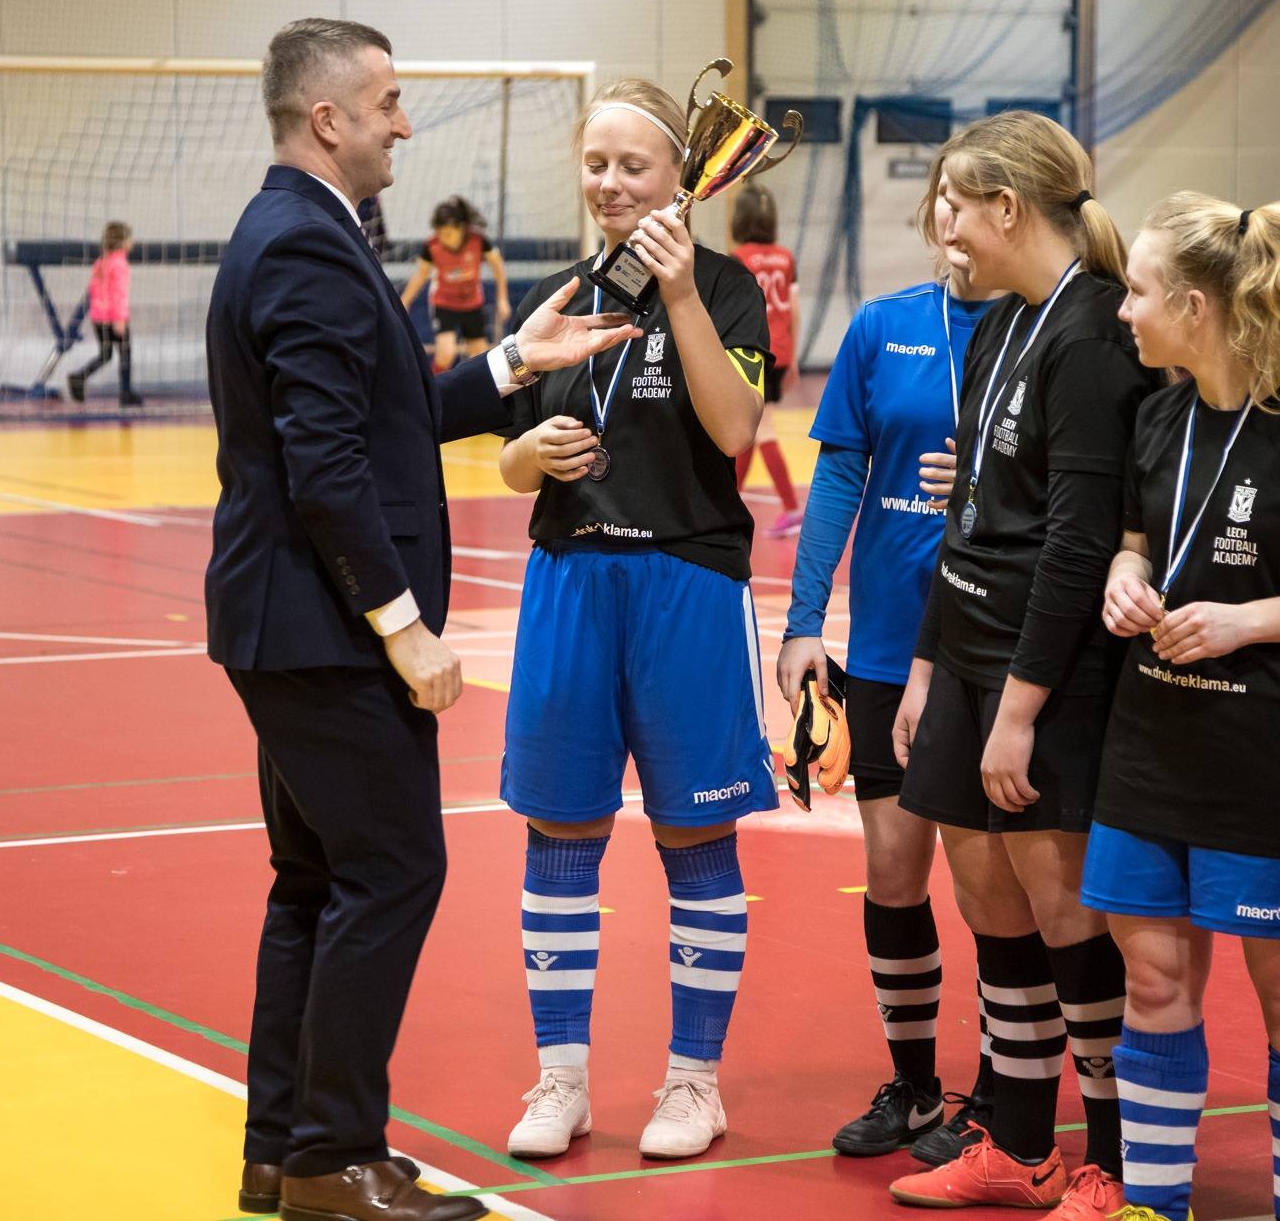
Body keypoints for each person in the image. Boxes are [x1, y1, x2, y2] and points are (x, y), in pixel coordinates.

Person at [206, 18, 636, 1221]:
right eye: (387, 101)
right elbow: (327, 466)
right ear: (328, 118)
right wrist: (401, 623)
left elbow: (387, 413)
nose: (405, 121)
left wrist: (509, 363)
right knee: (393, 868)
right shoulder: (305, 247)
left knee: (318, 880)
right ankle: (337, 1160)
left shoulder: (307, 235)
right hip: (324, 628)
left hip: (288, 624)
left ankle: (283, 1151)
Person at [493, 75, 776, 1164]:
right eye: (597, 163)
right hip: (569, 576)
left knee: (695, 834)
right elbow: (513, 457)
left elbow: (737, 426)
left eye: (634, 165)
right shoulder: (560, 295)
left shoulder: (726, 286)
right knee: (560, 827)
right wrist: (533, 453)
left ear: (683, 180)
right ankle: (561, 1078)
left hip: (687, 582)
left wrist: (684, 296)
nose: (611, 184)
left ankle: (693, 1084)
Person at [883, 110, 1162, 1216]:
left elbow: (1078, 539)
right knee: (987, 891)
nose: (941, 223)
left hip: (1043, 671)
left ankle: (1107, 1158)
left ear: (1009, 207)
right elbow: (969, 516)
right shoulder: (1003, 327)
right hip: (963, 650)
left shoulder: (1093, 334)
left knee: (1061, 907)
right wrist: (923, 667)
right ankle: (1016, 1141)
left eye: (955, 201)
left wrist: (1019, 709)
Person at [1093, 193, 1280, 1221]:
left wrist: (1245, 622)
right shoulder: (1158, 414)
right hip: (1148, 742)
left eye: (1138, 292)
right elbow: (1137, 537)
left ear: (1197, 304)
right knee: (1155, 978)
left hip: (1269, 745)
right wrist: (1124, 581)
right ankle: (1153, 1205)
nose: (1125, 311)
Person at [775, 174, 1000, 1161]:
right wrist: (800, 618)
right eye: (942, 193)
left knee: (997, 883)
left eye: (973, 195)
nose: (950, 211)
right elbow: (837, 474)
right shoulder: (884, 324)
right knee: (893, 870)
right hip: (880, 647)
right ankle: (913, 1085)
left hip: (989, 647)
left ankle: (1000, 1095)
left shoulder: (1046, 333)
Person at [730, 183, 805, 537]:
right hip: (780, 353)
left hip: (751, 352)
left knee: (761, 428)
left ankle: (791, 508)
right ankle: (731, 497)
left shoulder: (737, 259)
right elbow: (794, 310)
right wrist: (793, 359)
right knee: (754, 427)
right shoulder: (786, 258)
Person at [402, 195, 510, 371]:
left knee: (479, 358)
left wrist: (502, 299)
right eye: (440, 234)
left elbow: (498, 265)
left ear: (462, 229)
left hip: (472, 302)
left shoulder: (478, 240)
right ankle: (433, 392)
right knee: (446, 354)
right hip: (444, 303)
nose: (443, 238)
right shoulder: (432, 246)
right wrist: (404, 302)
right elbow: (420, 276)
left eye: (448, 234)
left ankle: (473, 395)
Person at [67, 220, 140, 406]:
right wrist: (120, 318)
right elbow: (118, 294)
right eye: (130, 238)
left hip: (98, 318)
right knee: (125, 354)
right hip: (113, 318)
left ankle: (79, 377)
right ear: (122, 242)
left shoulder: (101, 261)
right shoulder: (119, 264)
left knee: (105, 355)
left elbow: (94, 289)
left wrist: (99, 312)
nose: (133, 242)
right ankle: (126, 394)